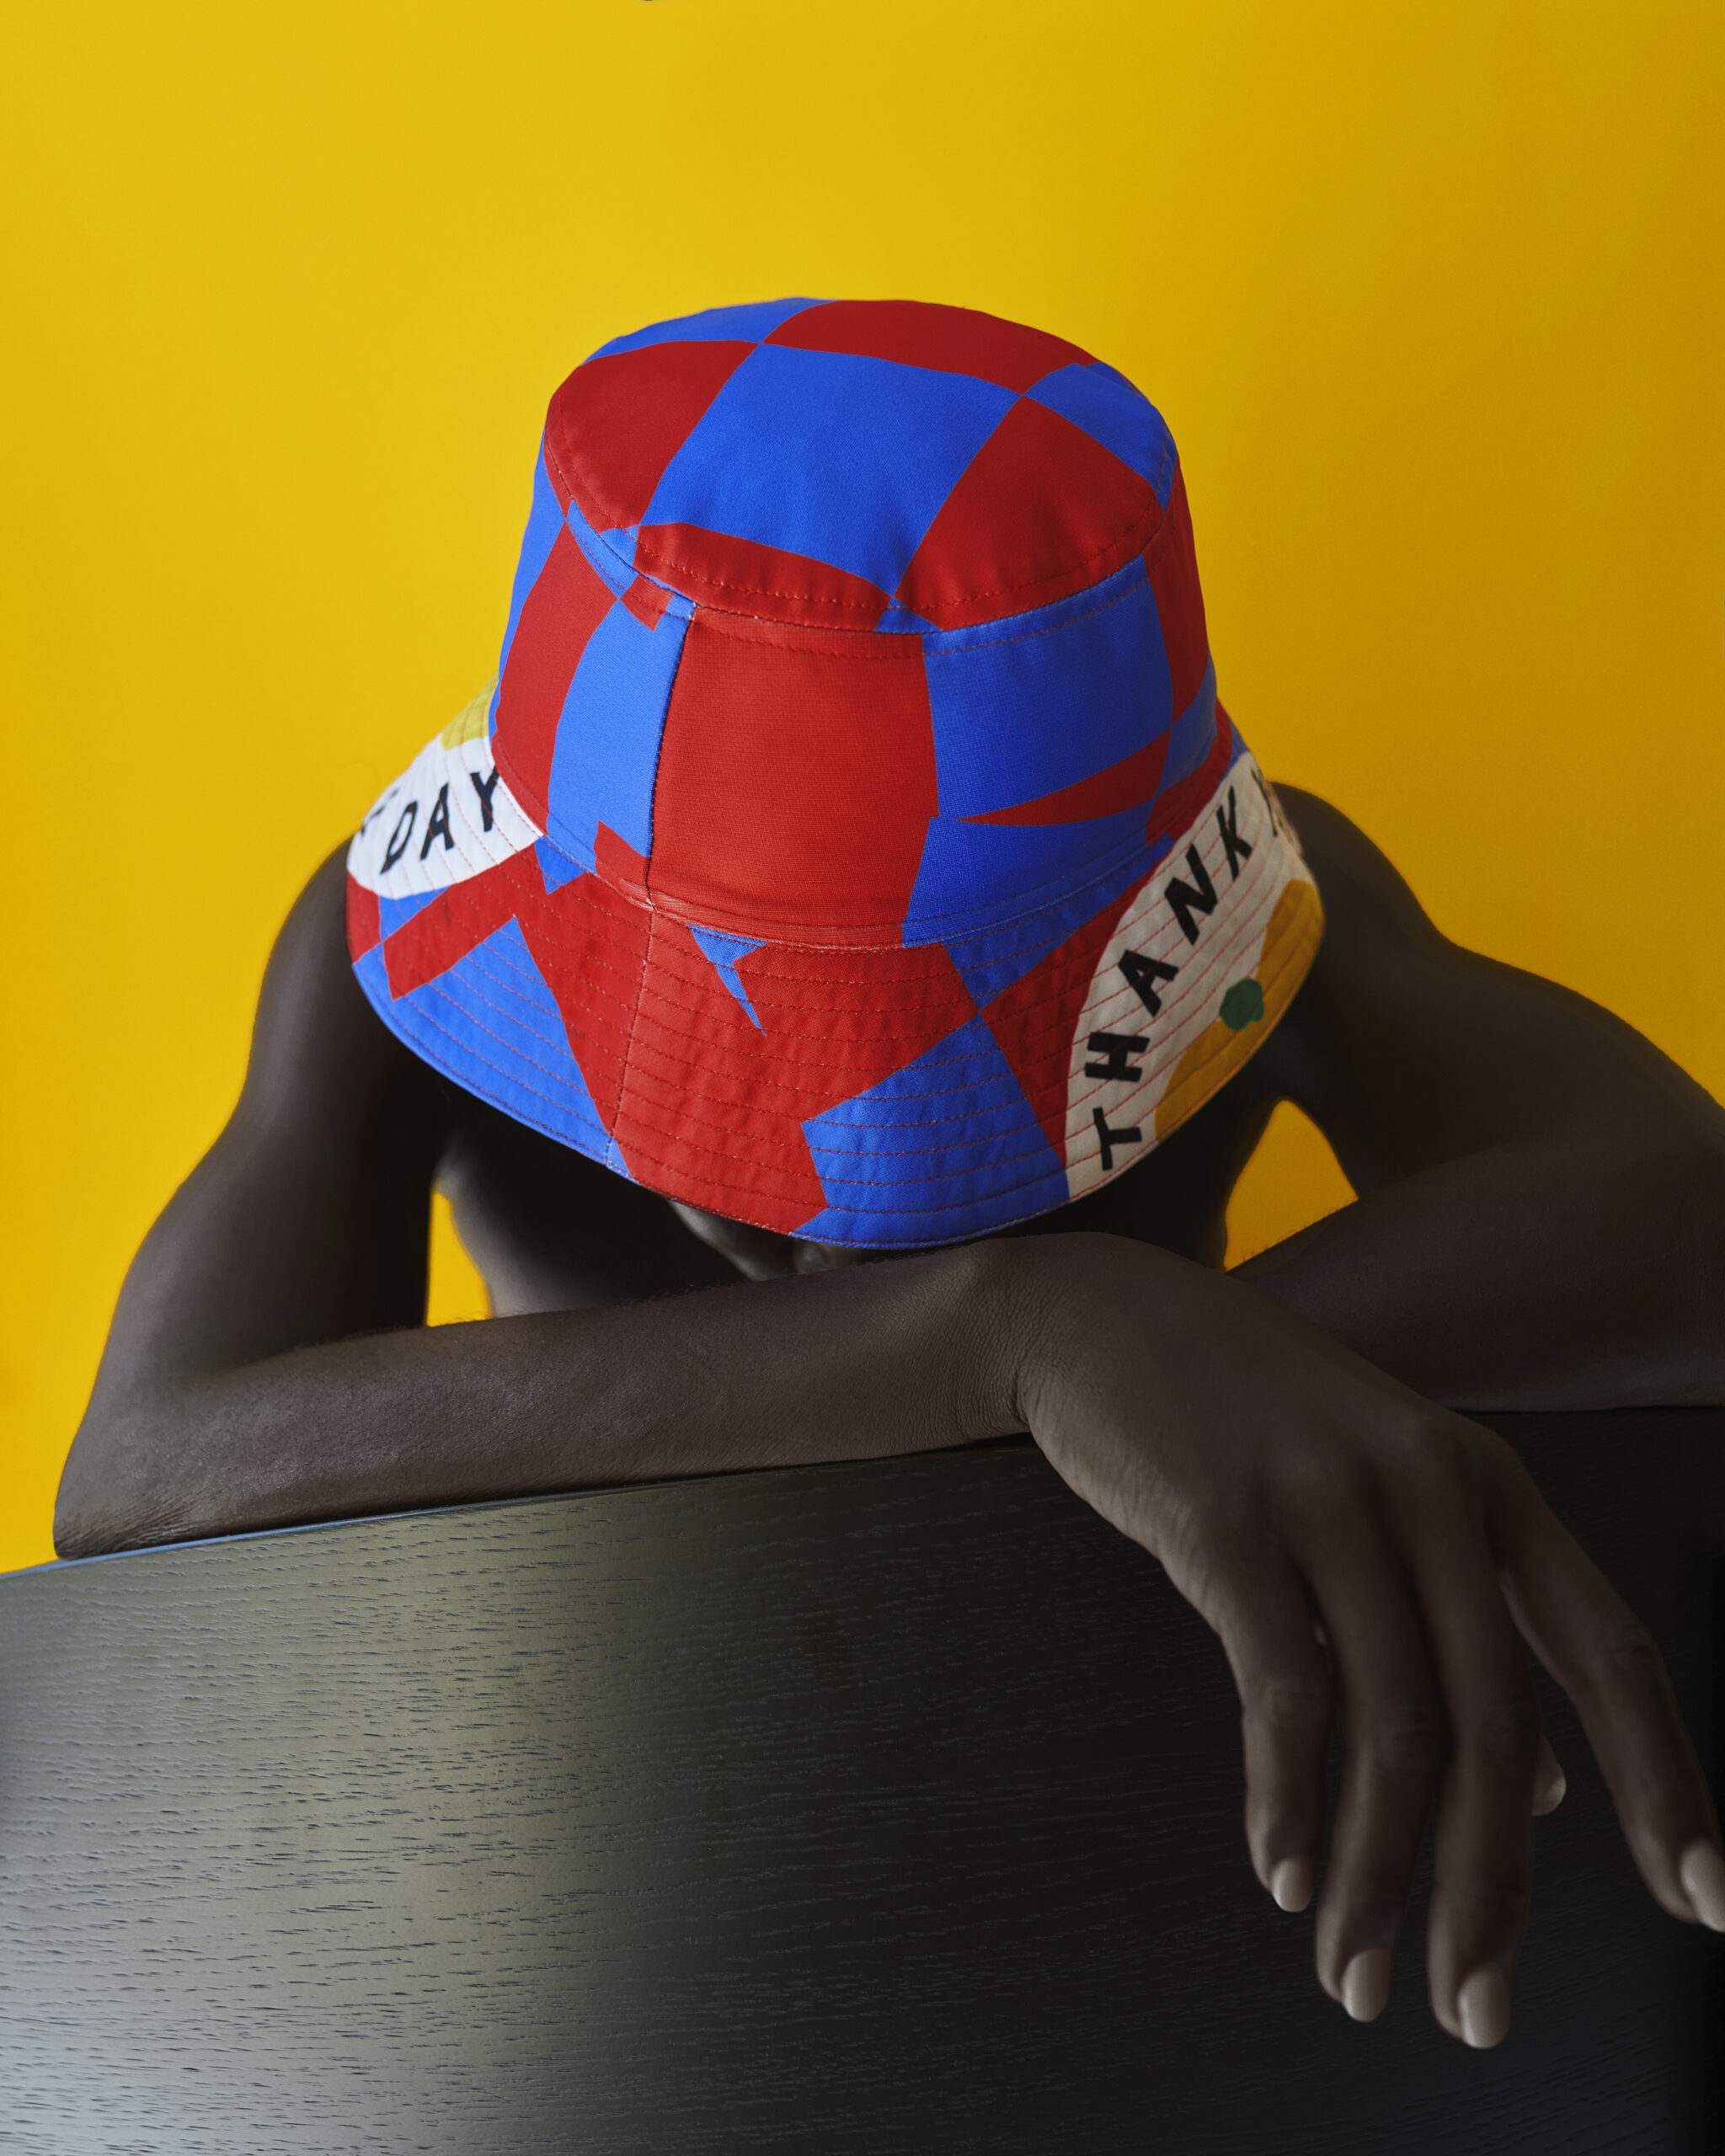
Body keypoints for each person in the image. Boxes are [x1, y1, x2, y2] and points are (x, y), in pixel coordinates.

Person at [56, 299, 1725, 2050]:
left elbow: (1694, 1226)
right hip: (604, 1827)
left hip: (1137, 1807)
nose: (790, 1220)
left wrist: (1157, 1352)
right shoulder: (396, 948)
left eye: (898, 1092)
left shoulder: (1243, 916)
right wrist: (1019, 1328)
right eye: (710, 1076)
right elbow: (141, 1475)